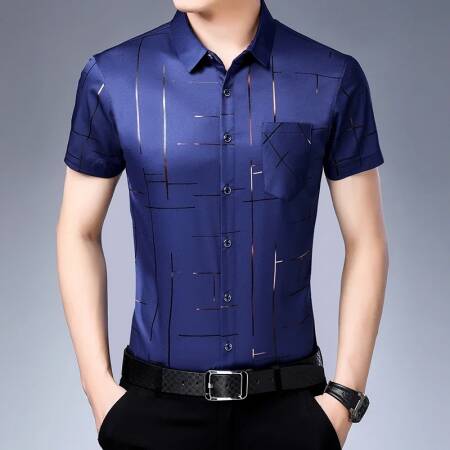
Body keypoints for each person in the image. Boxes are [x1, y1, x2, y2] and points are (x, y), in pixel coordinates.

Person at [56, 0, 389, 448]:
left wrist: (345, 399)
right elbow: (77, 231)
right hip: (152, 413)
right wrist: (98, 389)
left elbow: (367, 241)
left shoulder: (330, 77)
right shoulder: (113, 77)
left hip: (290, 416)